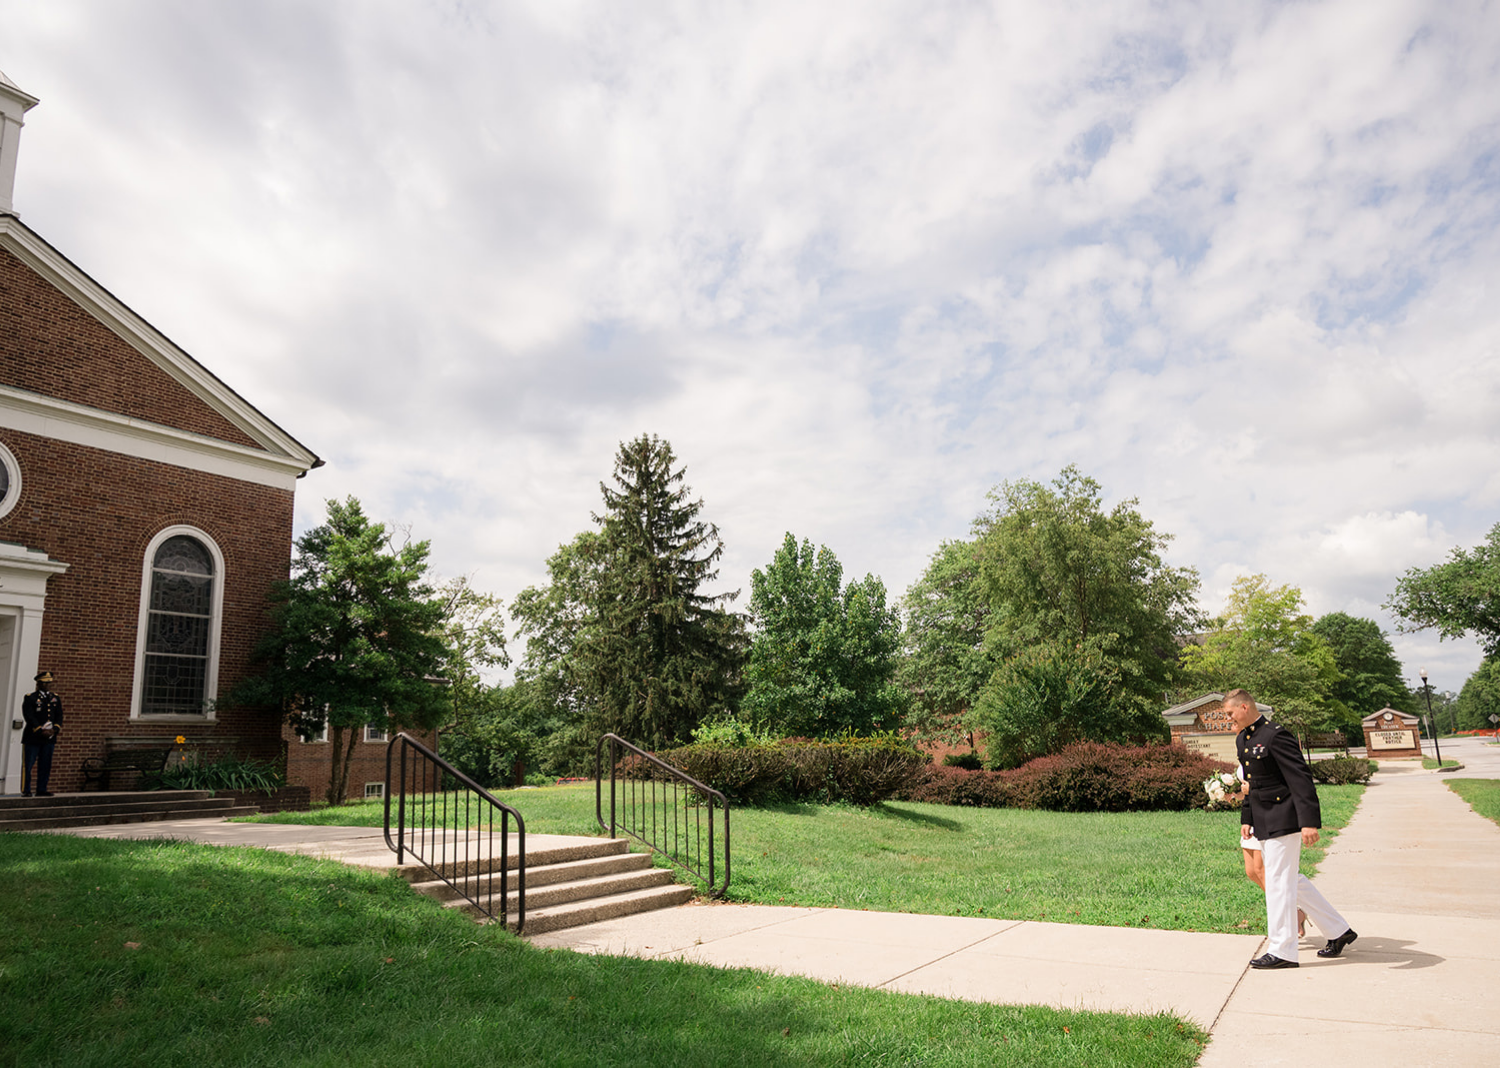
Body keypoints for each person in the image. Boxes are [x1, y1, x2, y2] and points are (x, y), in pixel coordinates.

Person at [1225, 688, 1358, 968]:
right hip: (1262, 819)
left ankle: (1283, 951)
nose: (1228, 719)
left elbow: (1300, 779)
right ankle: (1339, 930)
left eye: (1230, 713)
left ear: (1245, 707)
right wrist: (1246, 818)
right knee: (1289, 880)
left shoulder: (1275, 735)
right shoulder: (1243, 739)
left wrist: (1309, 821)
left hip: (1283, 817)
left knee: (1278, 884)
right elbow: (1251, 783)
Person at [1232, 765, 1306, 937]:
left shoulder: (1268, 746)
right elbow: (1248, 791)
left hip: (1268, 816)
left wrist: (1253, 790)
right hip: (1251, 815)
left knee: (1263, 871)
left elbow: (1279, 783)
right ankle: (1294, 912)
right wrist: (1235, 796)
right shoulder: (1245, 750)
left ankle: (1290, 917)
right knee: (1251, 872)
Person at [21, 670, 63, 797]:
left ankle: (42, 788)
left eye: (49, 683)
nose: (47, 686)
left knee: (45, 764)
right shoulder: (30, 698)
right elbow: (29, 715)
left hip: (49, 738)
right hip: (33, 737)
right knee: (28, 765)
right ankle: (26, 789)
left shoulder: (55, 698)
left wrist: (55, 729)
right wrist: (40, 729)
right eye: (44, 683)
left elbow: (59, 715)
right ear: (38, 684)